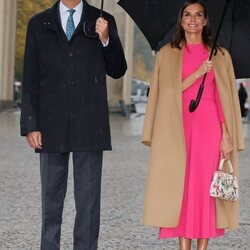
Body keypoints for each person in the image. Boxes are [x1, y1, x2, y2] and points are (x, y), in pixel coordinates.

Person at [20, 0, 127, 249]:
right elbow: (30, 77)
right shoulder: (38, 23)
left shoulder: (103, 20)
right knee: (51, 201)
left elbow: (118, 69)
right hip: (49, 125)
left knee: (88, 204)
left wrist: (106, 40)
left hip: (90, 124)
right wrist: (30, 124)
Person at [141, 1, 245, 249]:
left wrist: (226, 134)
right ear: (181, 20)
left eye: (198, 15)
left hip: (210, 130)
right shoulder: (167, 54)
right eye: (188, 15)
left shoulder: (220, 55)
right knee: (182, 188)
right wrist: (198, 73)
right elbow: (165, 94)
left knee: (204, 190)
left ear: (206, 20)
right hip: (178, 129)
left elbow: (225, 98)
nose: (193, 20)